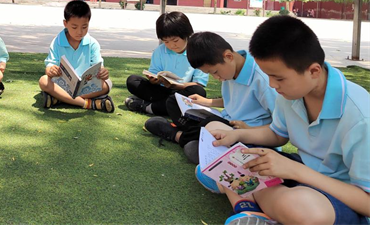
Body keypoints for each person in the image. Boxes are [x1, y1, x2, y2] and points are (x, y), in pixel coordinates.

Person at [196, 16, 370, 225]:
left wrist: (295, 170)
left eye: (278, 78)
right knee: (216, 130)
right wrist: (237, 135)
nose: (271, 85)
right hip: (298, 171)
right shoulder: (291, 94)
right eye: (268, 75)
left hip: (338, 196)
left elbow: (366, 203)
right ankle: (249, 205)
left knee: (305, 211)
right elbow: (277, 134)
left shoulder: (361, 117)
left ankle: (239, 194)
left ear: (313, 71)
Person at [145, 32, 276, 164]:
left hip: (249, 135)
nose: (216, 78)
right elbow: (235, 101)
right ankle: (199, 141)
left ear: (228, 56)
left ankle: (179, 136)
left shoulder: (263, 81)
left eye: (214, 72)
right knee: (175, 101)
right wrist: (206, 102)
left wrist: (249, 130)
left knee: (207, 127)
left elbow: (280, 126)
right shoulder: (230, 70)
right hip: (226, 123)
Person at [125, 12, 208, 117]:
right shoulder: (160, 51)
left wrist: (176, 85)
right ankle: (166, 106)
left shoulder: (198, 51)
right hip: (162, 90)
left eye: (175, 40)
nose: (171, 45)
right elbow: (154, 73)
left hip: (182, 91)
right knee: (133, 80)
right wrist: (153, 80)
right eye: (166, 41)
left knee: (199, 92)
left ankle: (147, 107)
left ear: (186, 34)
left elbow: (198, 84)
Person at [38, 0, 114, 112]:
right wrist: (51, 70)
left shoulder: (92, 43)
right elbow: (50, 65)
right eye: (74, 27)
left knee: (107, 84)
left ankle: (60, 98)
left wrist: (103, 73)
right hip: (64, 84)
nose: (80, 32)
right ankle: (89, 104)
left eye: (84, 27)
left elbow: (99, 67)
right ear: (65, 23)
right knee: (44, 81)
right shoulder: (57, 42)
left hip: (85, 86)